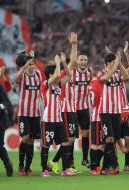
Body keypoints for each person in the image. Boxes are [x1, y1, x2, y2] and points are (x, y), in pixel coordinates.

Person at [40, 54, 76, 177]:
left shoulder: (59, 85)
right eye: (54, 75)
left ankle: (65, 170)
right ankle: (44, 170)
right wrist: (57, 63)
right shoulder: (45, 85)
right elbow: (56, 75)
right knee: (46, 145)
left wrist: (64, 63)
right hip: (48, 120)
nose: (57, 77)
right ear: (49, 75)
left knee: (65, 144)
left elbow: (70, 75)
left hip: (59, 120)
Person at [49, 33, 79, 174]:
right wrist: (73, 45)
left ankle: (60, 163)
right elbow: (72, 61)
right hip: (65, 110)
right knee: (68, 139)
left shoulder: (71, 74)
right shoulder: (62, 75)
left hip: (72, 110)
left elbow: (73, 62)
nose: (72, 65)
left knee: (71, 139)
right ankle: (57, 163)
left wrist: (74, 44)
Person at [97, 52, 129, 174]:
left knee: (114, 139)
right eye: (112, 63)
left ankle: (107, 166)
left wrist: (120, 64)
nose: (114, 64)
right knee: (109, 139)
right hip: (105, 111)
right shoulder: (101, 73)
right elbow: (105, 79)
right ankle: (112, 166)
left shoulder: (117, 73)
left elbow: (126, 77)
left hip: (116, 112)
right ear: (107, 63)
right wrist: (116, 65)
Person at [14, 51, 42, 176]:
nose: (32, 66)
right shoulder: (22, 76)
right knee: (25, 138)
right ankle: (20, 164)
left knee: (31, 140)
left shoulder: (38, 75)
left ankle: (28, 167)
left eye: (33, 64)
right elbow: (15, 79)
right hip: (24, 113)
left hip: (35, 113)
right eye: (29, 64)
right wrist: (25, 66)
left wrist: (31, 59)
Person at [72, 50, 92, 167]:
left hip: (84, 108)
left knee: (86, 133)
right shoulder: (72, 73)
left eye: (85, 60)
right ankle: (71, 160)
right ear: (77, 61)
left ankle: (85, 159)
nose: (83, 62)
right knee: (72, 136)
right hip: (73, 109)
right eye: (81, 60)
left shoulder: (90, 73)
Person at [88, 65, 104, 175]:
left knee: (98, 143)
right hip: (100, 116)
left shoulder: (89, 85)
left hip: (94, 115)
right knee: (98, 144)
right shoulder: (99, 84)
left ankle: (95, 165)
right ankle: (94, 166)